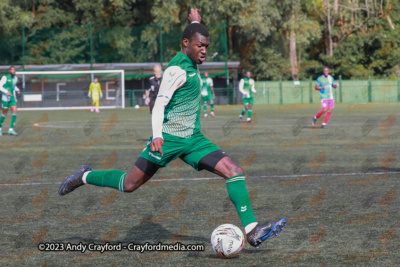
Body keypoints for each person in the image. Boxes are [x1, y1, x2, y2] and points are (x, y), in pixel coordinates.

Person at [58, 8, 286, 248]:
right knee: (130, 184)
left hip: (194, 139)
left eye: (206, 46)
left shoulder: (191, 56)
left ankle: (252, 230)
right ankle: (83, 176)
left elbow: (194, 36)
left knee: (233, 170)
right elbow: (159, 105)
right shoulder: (176, 70)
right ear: (186, 44)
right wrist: (157, 136)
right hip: (168, 139)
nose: (204, 51)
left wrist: (196, 22)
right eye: (200, 46)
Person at [0, 66, 21, 136]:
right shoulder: (5, 77)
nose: (13, 71)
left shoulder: (15, 78)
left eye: (14, 70)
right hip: (5, 97)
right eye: (12, 70)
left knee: (15, 111)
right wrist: (6, 92)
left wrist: (17, 89)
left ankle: (11, 129)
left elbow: (13, 86)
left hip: (12, 98)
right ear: (9, 70)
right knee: (4, 114)